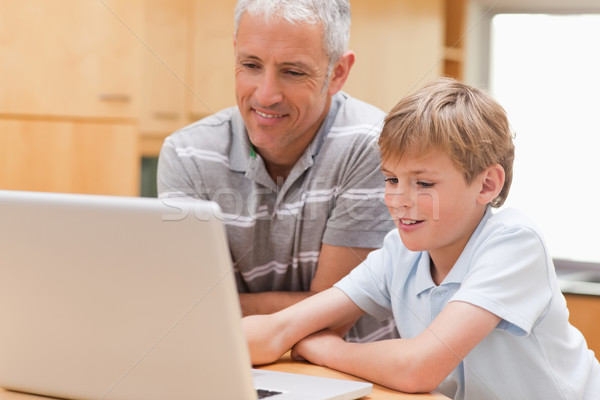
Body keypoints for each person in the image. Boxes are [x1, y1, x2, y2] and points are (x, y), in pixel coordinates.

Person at [243, 78, 600, 399]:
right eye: (391, 179)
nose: (398, 200)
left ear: (487, 184)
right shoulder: (399, 252)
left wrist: (321, 347)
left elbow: (418, 367)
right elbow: (279, 329)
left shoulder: (514, 243)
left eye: (424, 183)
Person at [157, 0, 398, 342]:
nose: (266, 95)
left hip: (352, 375)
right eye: (251, 64)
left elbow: (333, 318)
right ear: (235, 52)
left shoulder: (373, 147)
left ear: (338, 73)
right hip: (236, 364)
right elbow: (184, 307)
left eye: (293, 72)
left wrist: (216, 307)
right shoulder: (188, 153)